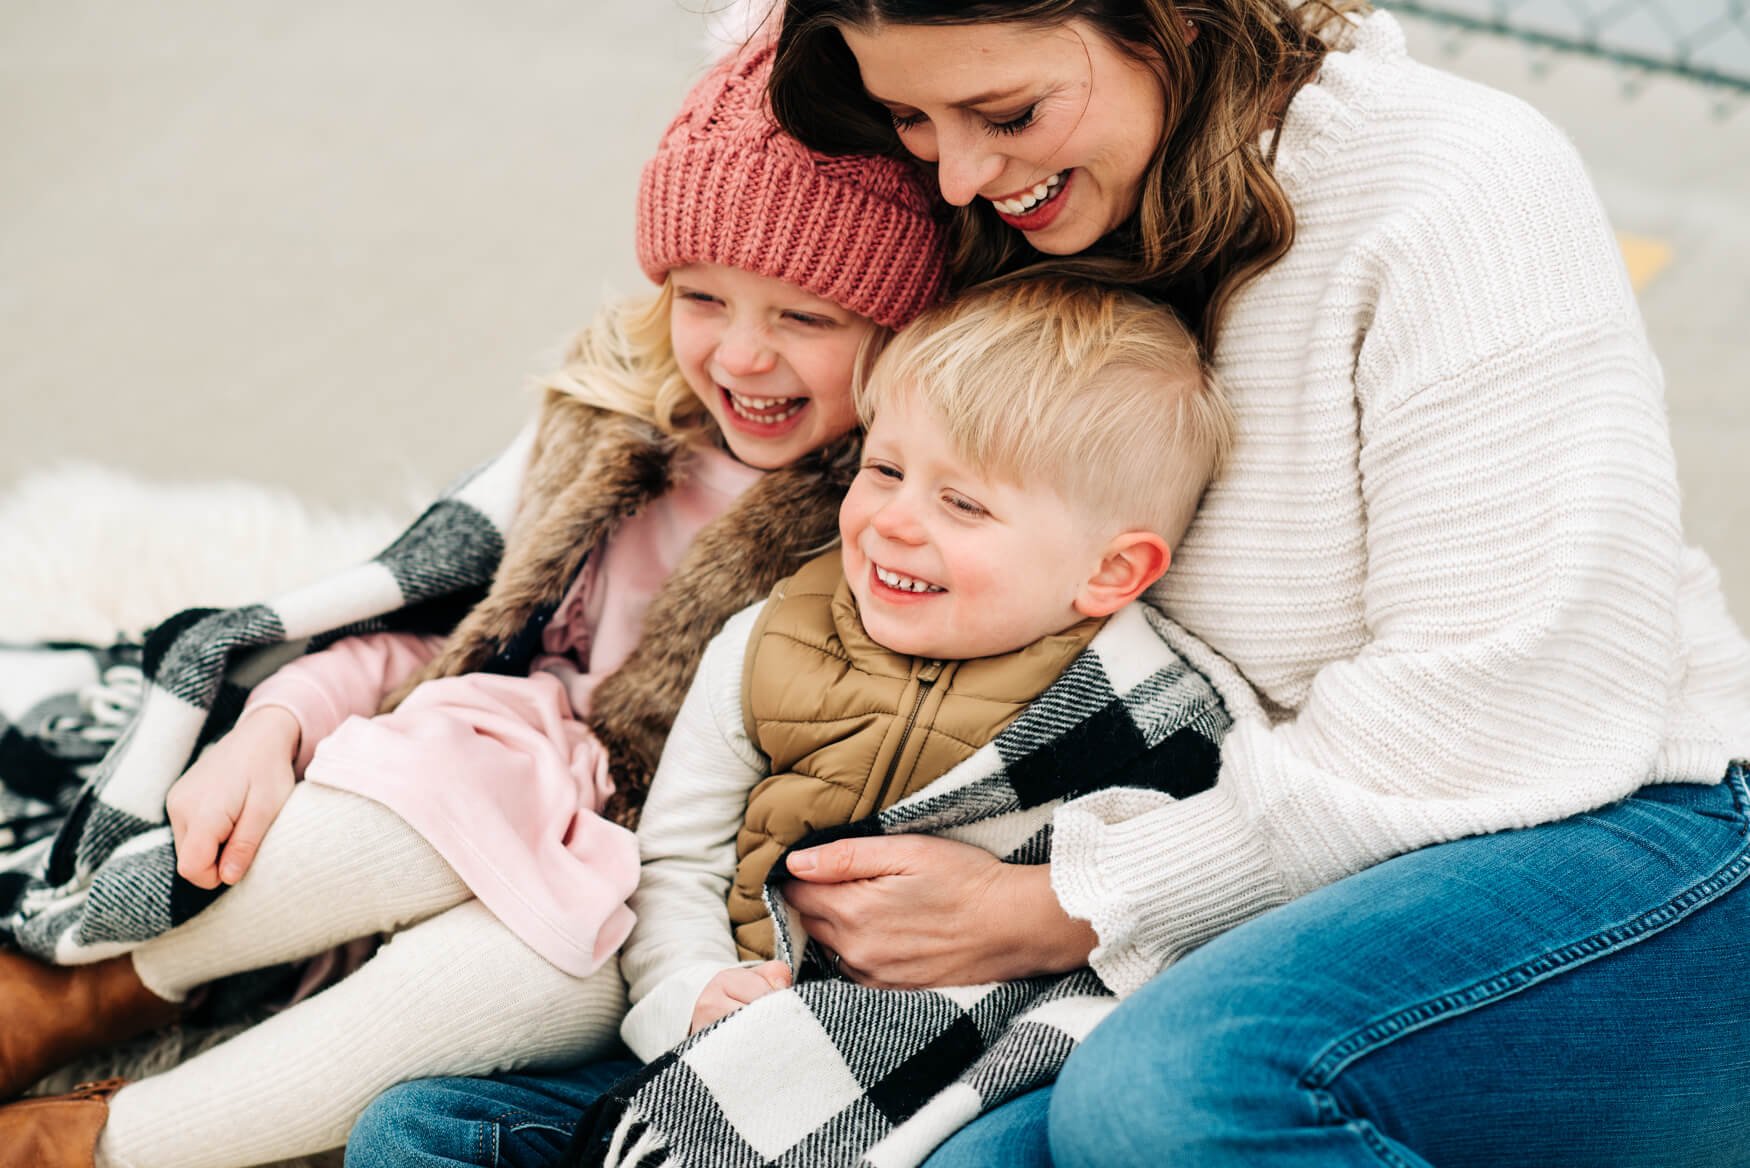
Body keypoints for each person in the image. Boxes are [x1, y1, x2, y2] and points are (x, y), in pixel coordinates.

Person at [354, 1, 1750, 1165]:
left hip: (1597, 827)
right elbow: (661, 390)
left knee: (1166, 1102)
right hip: (1133, 859)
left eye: (1003, 116)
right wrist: (362, 649)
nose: (955, 177)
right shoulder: (999, 159)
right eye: (913, 122)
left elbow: (1511, 708)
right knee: (442, 1132)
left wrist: (1066, 903)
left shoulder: (1451, 190)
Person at [0, 37, 945, 1168]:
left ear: (899, 330)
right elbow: (428, 630)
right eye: (702, 297)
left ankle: (88, 1143)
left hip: (646, 894)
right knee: (463, 760)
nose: (743, 353)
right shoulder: (620, 428)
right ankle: (81, 993)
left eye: (806, 318)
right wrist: (273, 724)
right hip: (462, 782)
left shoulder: (894, 520)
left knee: (523, 974)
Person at [348, 276, 1237, 1168]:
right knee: (417, 1130)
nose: (893, 521)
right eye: (885, 470)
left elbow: (1168, 924)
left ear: (1111, 573)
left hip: (951, 1075)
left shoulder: (1156, 712)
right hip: (727, 1051)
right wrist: (693, 997)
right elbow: (678, 860)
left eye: (962, 504)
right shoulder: (768, 638)